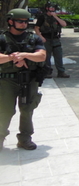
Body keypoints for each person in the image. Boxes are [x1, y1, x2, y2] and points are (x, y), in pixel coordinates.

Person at [0, 9, 46, 151]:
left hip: (28, 80)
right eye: (20, 21)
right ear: (10, 21)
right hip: (8, 81)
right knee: (5, 110)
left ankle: (25, 138)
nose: (23, 24)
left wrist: (24, 55)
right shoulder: (2, 38)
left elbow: (42, 56)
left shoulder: (34, 38)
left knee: (27, 110)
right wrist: (13, 58)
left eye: (26, 21)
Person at [34, 2, 70, 78]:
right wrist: (41, 37)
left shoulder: (56, 17)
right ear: (47, 8)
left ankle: (61, 72)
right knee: (47, 56)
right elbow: (36, 28)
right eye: (50, 8)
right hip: (46, 38)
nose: (52, 9)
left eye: (53, 8)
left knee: (58, 56)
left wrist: (56, 17)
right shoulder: (42, 17)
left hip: (56, 39)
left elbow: (64, 24)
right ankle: (47, 72)